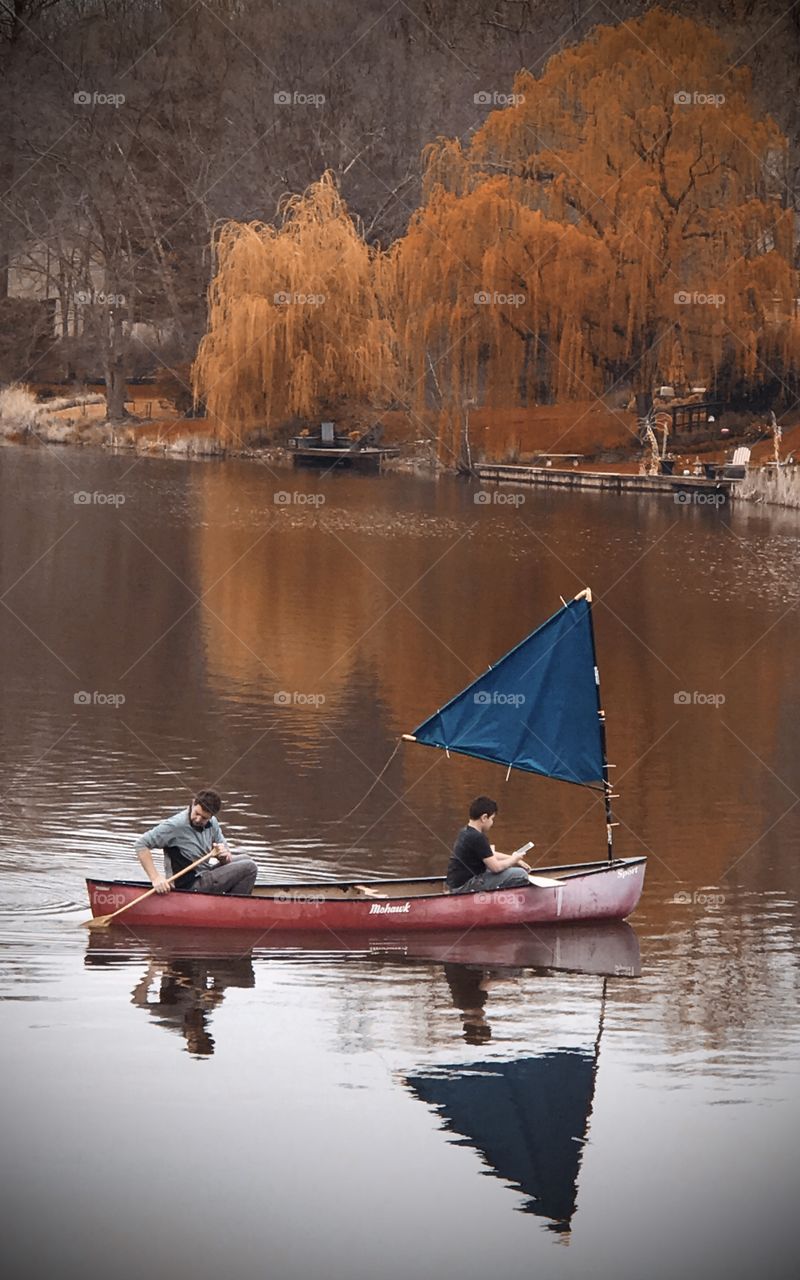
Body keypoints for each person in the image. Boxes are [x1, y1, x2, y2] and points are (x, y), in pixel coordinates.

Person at [135, 788, 258, 896]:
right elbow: (141, 844)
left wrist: (223, 857)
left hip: (204, 874)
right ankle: (234, 909)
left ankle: (228, 903)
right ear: (193, 803)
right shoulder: (176, 825)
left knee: (246, 859)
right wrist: (156, 878)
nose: (198, 819)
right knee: (250, 868)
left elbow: (227, 859)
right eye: (197, 813)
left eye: (204, 818)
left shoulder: (213, 823)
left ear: (211, 816)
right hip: (188, 885)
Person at [446, 796, 531, 895]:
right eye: (492, 819)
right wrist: (514, 860)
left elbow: (489, 854)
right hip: (465, 887)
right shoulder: (478, 837)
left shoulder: (465, 831)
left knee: (504, 868)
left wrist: (514, 858)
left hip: (455, 885)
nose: (492, 822)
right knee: (520, 874)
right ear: (484, 818)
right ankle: (504, 899)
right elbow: (496, 867)